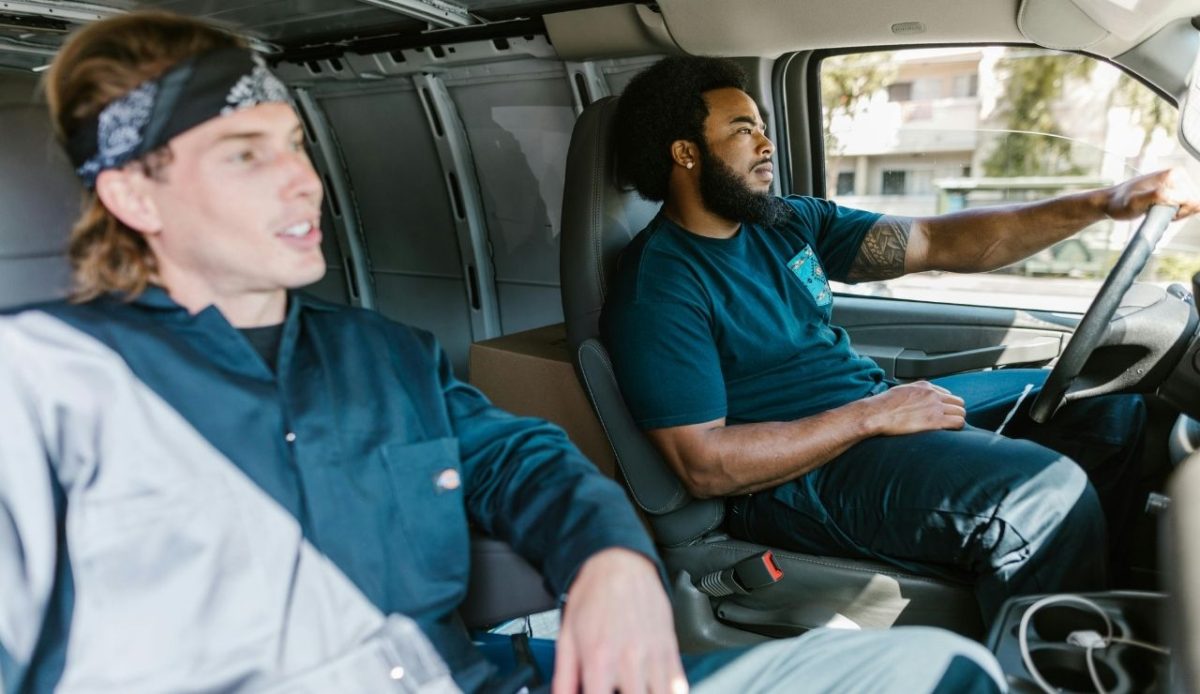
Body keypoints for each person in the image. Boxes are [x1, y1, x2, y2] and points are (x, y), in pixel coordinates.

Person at [0, 11, 1008, 694]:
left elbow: (531, 464)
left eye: (297, 145)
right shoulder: (43, 388)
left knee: (937, 671)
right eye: (245, 156)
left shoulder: (385, 357)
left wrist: (612, 557)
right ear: (135, 197)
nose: (301, 183)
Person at [602, 56, 1200, 622]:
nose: (767, 143)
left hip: (865, 416)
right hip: (786, 482)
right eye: (743, 130)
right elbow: (706, 466)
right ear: (685, 153)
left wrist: (1105, 202)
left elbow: (942, 242)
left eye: (763, 126)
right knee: (1038, 496)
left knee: (1105, 407)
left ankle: (1092, 617)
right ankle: (1050, 658)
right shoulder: (659, 284)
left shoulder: (784, 222)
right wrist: (870, 417)